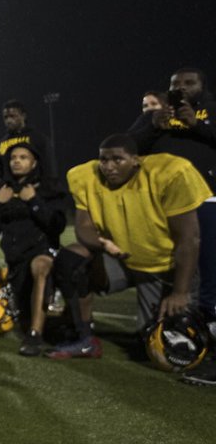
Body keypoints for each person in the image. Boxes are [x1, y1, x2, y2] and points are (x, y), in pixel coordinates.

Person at [54, 134, 209, 368]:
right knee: (71, 260)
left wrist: (180, 291)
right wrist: (103, 244)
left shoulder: (168, 174)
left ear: (136, 161)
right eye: (104, 160)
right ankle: (84, 337)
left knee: (165, 351)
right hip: (124, 262)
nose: (109, 166)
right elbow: (83, 228)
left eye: (118, 159)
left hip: (164, 269)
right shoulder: (85, 176)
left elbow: (189, 239)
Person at [128, 67, 216, 323]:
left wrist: (198, 126)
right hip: (161, 202)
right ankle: (162, 324)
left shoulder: (211, 109)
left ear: (203, 86)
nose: (182, 88)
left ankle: (207, 321)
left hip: (207, 198)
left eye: (189, 83)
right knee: (164, 260)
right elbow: (126, 147)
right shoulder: (154, 115)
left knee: (207, 264)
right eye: (175, 84)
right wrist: (153, 127)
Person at [0, 142, 69, 356]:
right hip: (15, 259)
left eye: (23, 157)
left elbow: (57, 226)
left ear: (34, 162)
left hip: (41, 253)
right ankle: (53, 322)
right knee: (24, 317)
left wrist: (35, 201)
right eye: (13, 158)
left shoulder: (48, 188)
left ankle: (35, 336)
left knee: (40, 267)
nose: (17, 161)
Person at [0, 100, 52, 181]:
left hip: (34, 190)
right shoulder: (0, 144)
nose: (8, 121)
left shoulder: (38, 138)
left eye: (12, 116)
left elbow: (49, 168)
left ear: (23, 116)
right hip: (8, 191)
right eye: (6, 117)